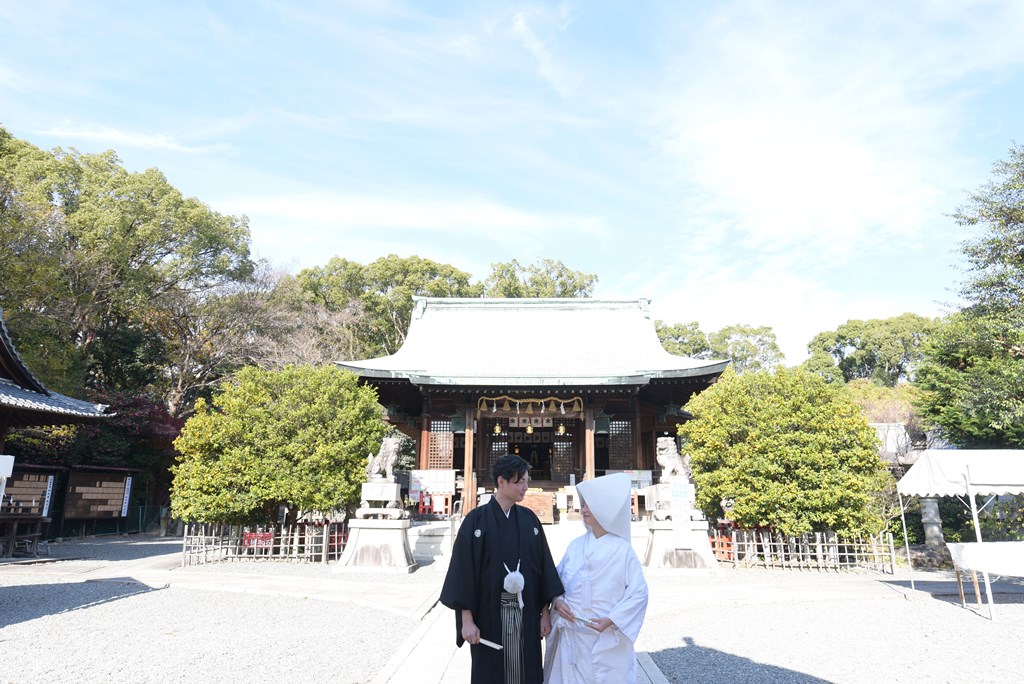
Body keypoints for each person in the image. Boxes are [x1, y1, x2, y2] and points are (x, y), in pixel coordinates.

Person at [440, 454, 564, 683]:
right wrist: (466, 620)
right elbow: (463, 572)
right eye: (519, 481)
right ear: (501, 482)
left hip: (526, 614)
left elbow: (542, 568)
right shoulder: (475, 521)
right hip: (489, 616)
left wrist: (545, 613)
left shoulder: (530, 521)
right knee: (492, 672)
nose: (525, 487)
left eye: (527, 481)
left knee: (525, 671)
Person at [544, 472, 649, 683]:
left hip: (606, 634)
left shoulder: (623, 550)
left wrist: (612, 619)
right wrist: (557, 601)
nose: (583, 510)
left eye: (588, 505)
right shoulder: (576, 545)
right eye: (583, 505)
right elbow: (557, 581)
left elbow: (639, 593)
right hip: (572, 633)